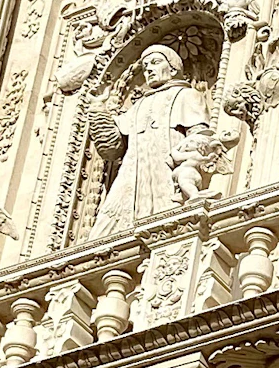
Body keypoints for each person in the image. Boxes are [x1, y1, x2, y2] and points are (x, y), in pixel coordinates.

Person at [89, 45, 213, 233]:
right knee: (104, 231)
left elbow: (199, 135)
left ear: (173, 69)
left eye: (155, 62)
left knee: (169, 221)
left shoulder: (187, 95)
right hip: (131, 175)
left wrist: (187, 163)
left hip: (166, 171)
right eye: (145, 66)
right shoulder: (138, 106)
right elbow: (112, 149)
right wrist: (98, 108)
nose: (149, 69)